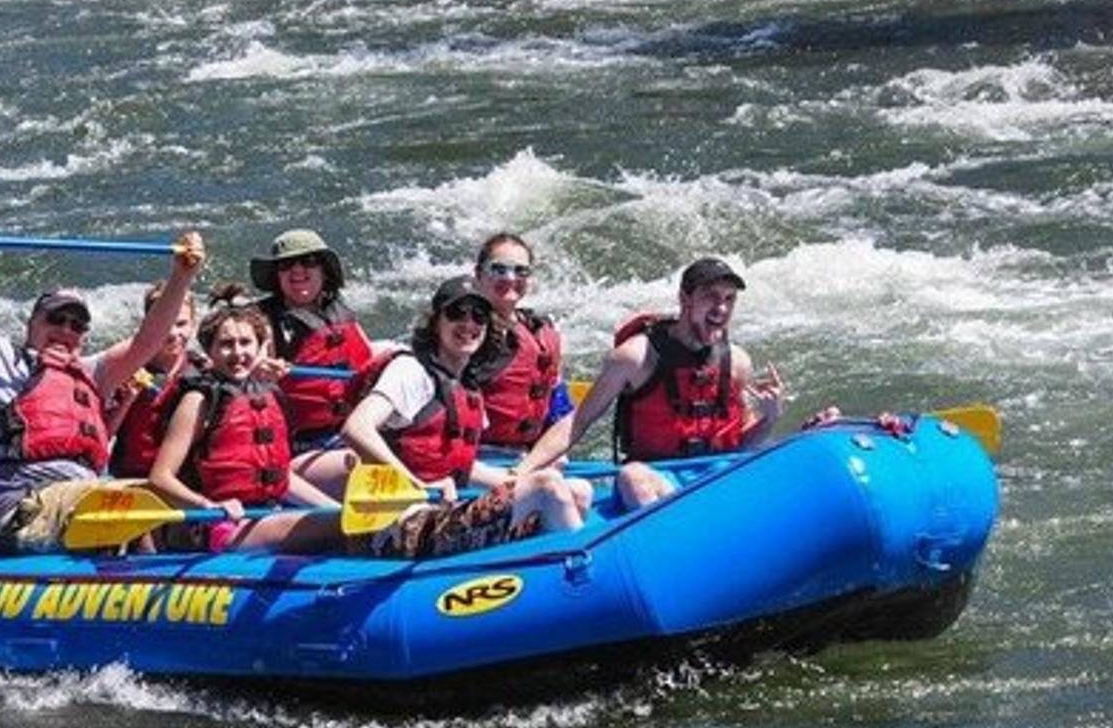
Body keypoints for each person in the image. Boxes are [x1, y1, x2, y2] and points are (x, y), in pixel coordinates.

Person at [0, 225, 206, 553]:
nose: (65, 330)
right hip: (20, 511)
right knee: (120, 502)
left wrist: (182, 276)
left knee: (162, 501)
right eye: (55, 320)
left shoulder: (90, 374)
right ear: (32, 325)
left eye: (76, 326)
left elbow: (148, 340)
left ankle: (158, 589)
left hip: (79, 498)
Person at [511, 257, 787, 510]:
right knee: (633, 476)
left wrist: (771, 417)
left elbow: (742, 444)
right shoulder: (636, 357)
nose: (722, 308)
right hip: (657, 478)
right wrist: (521, 472)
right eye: (711, 297)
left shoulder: (737, 362)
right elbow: (577, 422)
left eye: (729, 299)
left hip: (715, 474)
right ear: (685, 298)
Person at [337, 277, 580, 559]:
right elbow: (356, 427)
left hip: (440, 516)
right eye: (456, 314)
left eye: (478, 317)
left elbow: (461, 465)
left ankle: (548, 577)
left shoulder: (467, 387)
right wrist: (413, 483)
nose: (468, 325)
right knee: (547, 486)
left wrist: (517, 478)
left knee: (577, 489)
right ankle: (580, 580)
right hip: (395, 529)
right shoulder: (411, 371)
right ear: (435, 322)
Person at [145, 287, 340, 551]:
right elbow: (160, 478)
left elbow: (280, 479)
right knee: (336, 526)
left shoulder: (268, 396)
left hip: (265, 514)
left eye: (246, 343)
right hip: (216, 525)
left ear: (260, 347)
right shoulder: (199, 400)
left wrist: (335, 509)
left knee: (343, 520)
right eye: (226, 345)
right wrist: (209, 506)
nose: (238, 353)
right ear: (210, 351)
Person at [250, 228, 375, 453]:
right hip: (298, 443)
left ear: (324, 271)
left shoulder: (342, 312)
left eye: (308, 261)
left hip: (354, 430)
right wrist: (260, 366)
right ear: (277, 277)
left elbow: (370, 361)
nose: (297, 270)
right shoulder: (263, 320)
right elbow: (256, 357)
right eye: (286, 265)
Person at [464, 232, 566, 457]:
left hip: (529, 456)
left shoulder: (541, 331)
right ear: (479, 274)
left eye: (521, 271)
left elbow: (558, 404)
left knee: (580, 490)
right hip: (474, 456)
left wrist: (553, 455)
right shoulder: (464, 329)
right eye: (499, 269)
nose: (510, 278)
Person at [104, 281, 200, 481]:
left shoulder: (204, 372)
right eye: (166, 325)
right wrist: (127, 400)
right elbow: (104, 433)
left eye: (181, 324)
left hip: (182, 481)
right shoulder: (127, 368)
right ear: (151, 324)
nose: (173, 333)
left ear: (193, 324)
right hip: (131, 477)